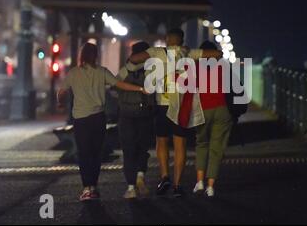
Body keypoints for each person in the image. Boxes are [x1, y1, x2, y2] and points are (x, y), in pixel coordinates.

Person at [129, 28, 222, 197]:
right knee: (180, 144)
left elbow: (134, 59)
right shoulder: (188, 52)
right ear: (182, 40)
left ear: (167, 39)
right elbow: (217, 54)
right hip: (181, 106)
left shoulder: (157, 52)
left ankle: (165, 176)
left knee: (161, 141)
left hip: (162, 105)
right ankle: (178, 185)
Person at [58, 42, 147, 202]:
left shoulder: (73, 73)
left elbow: (62, 91)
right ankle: (94, 186)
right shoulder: (102, 72)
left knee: (84, 154)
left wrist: (60, 101)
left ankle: (87, 188)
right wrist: (140, 89)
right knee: (96, 153)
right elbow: (120, 84)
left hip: (81, 119)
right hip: (98, 118)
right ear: (96, 55)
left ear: (82, 56)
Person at [193, 41, 234, 197]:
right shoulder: (222, 66)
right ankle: (211, 187)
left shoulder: (196, 67)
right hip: (222, 109)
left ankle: (200, 182)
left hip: (203, 109)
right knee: (216, 148)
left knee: (201, 144)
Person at [117, 41, 156, 199]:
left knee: (128, 150)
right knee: (142, 148)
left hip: (126, 114)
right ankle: (140, 175)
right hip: (145, 113)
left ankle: (131, 188)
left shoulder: (125, 69)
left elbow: (114, 85)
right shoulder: (151, 69)